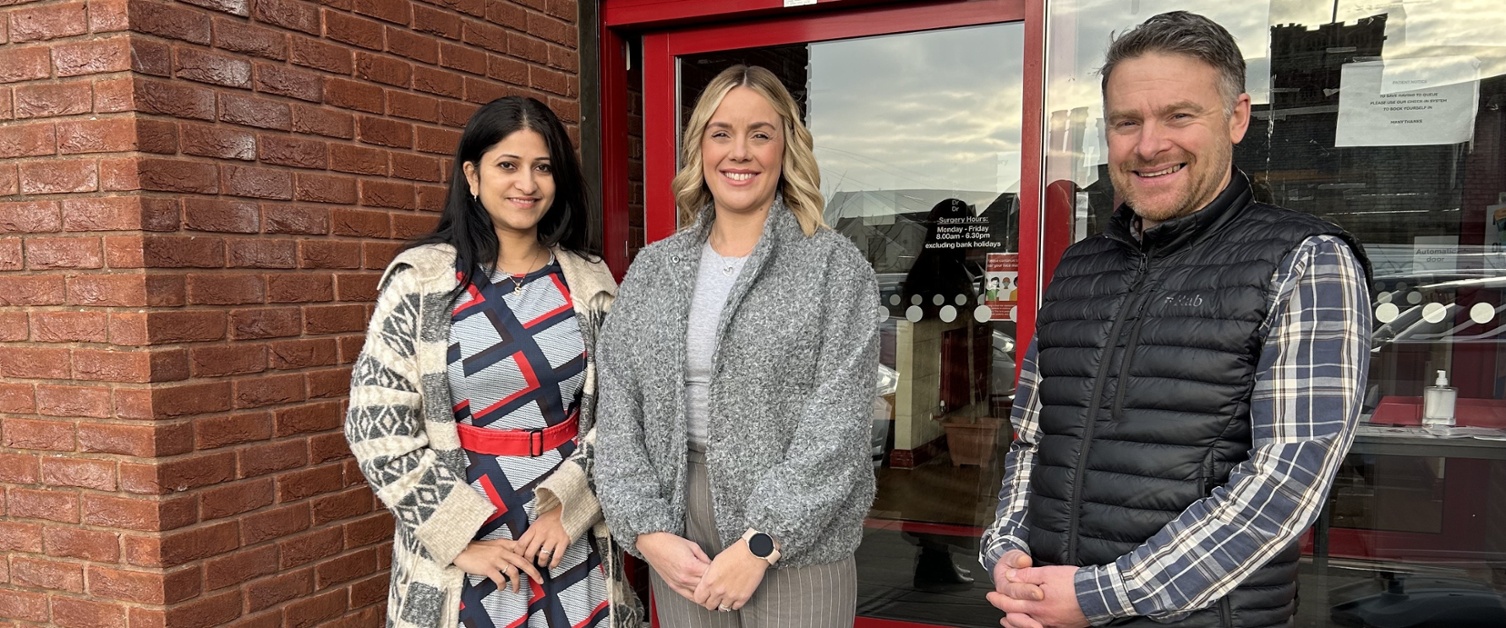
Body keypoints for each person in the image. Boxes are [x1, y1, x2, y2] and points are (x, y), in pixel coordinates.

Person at [980, 11, 1371, 628]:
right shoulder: (1079, 268)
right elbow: (1032, 437)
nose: (1149, 144)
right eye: (1126, 122)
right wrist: (1007, 549)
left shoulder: (1305, 260)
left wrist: (1099, 597)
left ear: (1237, 117)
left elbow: (1284, 483)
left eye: (1179, 116)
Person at [594, 64, 879, 628]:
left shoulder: (833, 268)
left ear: (785, 148)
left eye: (760, 134)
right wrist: (648, 531)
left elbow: (839, 426)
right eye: (721, 133)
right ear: (700, 147)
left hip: (799, 533)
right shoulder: (655, 269)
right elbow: (619, 409)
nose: (739, 152)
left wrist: (762, 541)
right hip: (678, 521)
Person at [344, 96, 642, 628]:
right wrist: (457, 538)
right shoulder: (420, 283)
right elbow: (374, 426)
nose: (526, 184)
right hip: (468, 527)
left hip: (564, 531)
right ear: (472, 175)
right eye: (508, 165)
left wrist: (570, 509)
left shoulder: (592, 284)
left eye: (542, 167)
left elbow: (623, 418)